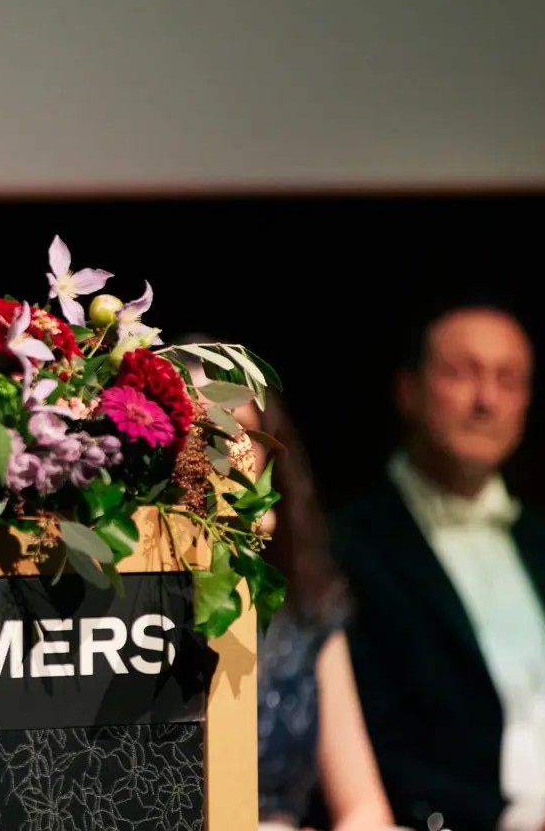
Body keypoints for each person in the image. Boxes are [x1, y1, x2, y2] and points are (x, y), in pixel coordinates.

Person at [331, 302, 545, 831]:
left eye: (508, 380)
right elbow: (375, 743)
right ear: (407, 391)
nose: (486, 400)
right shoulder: (350, 545)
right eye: (461, 373)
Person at [175, 345, 397, 831]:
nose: (220, 453)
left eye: (236, 431)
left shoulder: (304, 608)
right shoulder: (127, 612)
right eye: (197, 431)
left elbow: (362, 806)